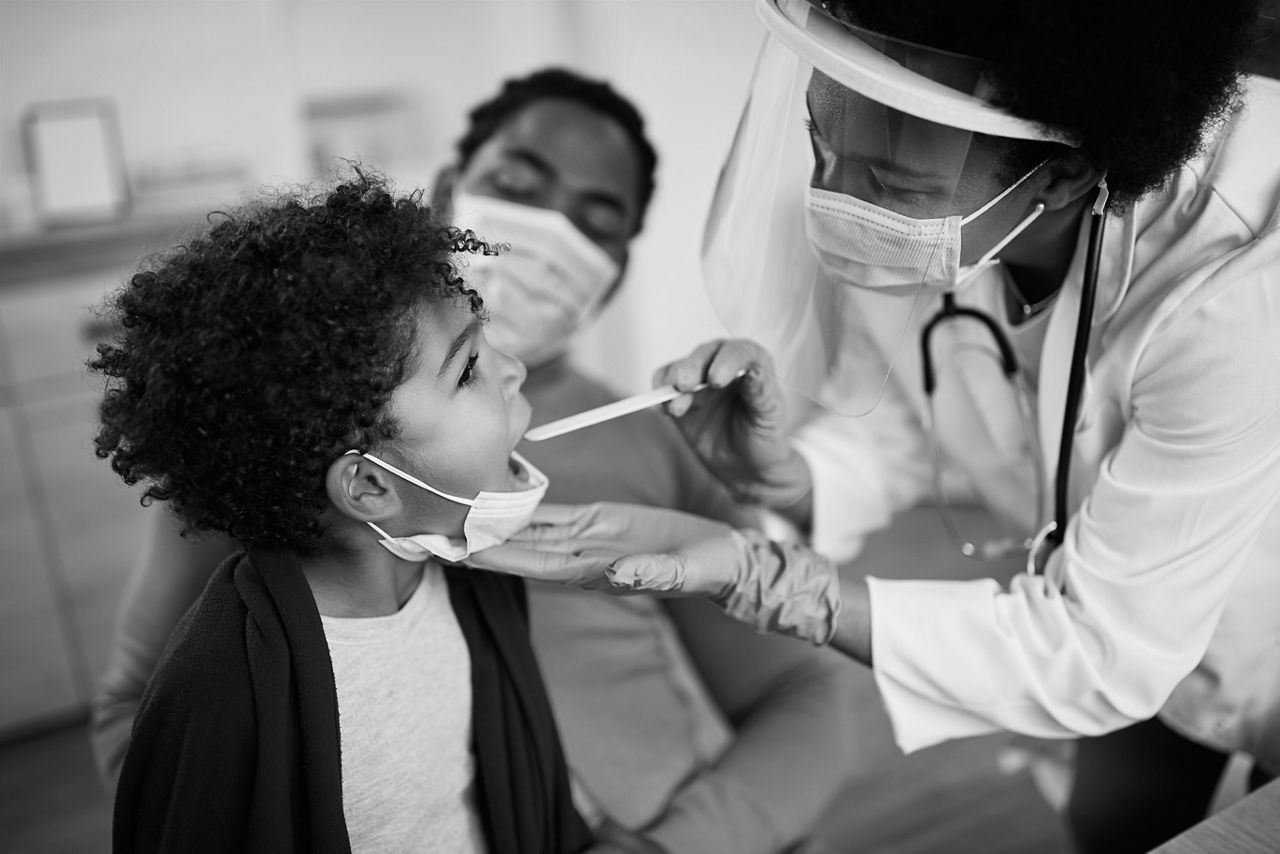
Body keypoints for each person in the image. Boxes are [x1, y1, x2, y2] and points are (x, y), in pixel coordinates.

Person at [466, 2, 1280, 851]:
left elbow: (1103, 652)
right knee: (1113, 821)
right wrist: (790, 478)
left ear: (1061, 179)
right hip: (1131, 631)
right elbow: (902, 425)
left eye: (891, 189)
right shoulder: (943, 206)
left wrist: (780, 586)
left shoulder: (1233, 293)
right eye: (827, 152)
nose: (840, 202)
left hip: (1249, 628)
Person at [90, 69, 857, 854]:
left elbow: (802, 690)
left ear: (618, 267)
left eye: (597, 221)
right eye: (519, 184)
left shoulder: (664, 435)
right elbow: (144, 718)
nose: (548, 232)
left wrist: (681, 844)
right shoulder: (267, 448)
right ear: (452, 188)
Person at [89, 171, 591, 853]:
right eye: (469, 368)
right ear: (369, 488)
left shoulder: (479, 580)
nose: (515, 370)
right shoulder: (216, 695)